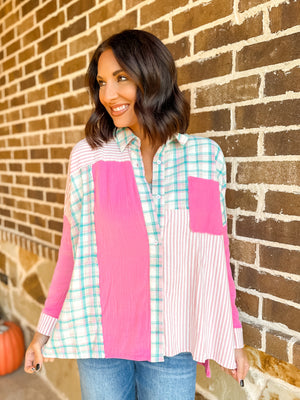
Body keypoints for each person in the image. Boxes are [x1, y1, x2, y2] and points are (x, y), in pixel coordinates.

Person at [25, 29, 249, 399]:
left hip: (172, 343)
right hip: (101, 342)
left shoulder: (202, 158)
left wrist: (232, 337)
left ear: (152, 76)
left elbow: (214, 256)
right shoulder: (89, 156)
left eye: (121, 78)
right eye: (101, 83)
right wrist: (41, 334)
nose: (108, 95)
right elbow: (72, 251)